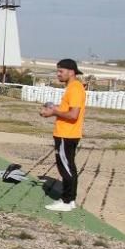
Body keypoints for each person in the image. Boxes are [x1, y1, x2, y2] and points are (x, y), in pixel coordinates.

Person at [40, 59, 86, 212]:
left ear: (71, 72)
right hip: (65, 134)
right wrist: (53, 110)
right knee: (67, 167)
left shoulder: (75, 88)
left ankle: (67, 201)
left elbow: (73, 115)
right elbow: (67, 110)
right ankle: (69, 199)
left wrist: (54, 111)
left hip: (67, 135)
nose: (58, 74)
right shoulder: (72, 88)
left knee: (66, 168)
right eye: (57, 71)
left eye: (61, 71)